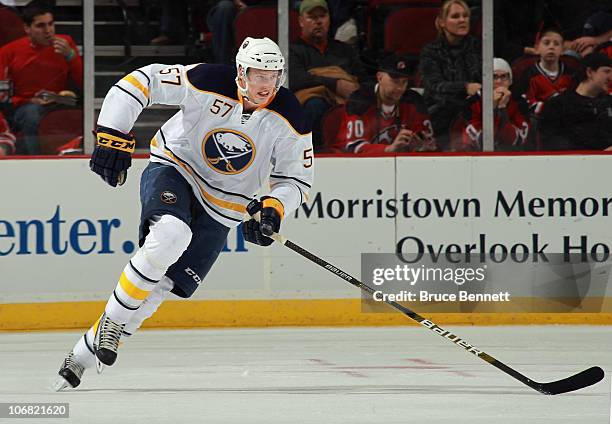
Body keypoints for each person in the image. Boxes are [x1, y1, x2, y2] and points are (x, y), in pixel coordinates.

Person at [53, 37, 313, 391]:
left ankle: (80, 356)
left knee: (163, 285)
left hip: (226, 205)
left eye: (273, 75)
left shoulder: (290, 115)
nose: (266, 84)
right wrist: (111, 135)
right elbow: (138, 82)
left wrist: (274, 207)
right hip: (177, 168)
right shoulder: (207, 80)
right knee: (171, 235)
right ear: (241, 71)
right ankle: (113, 324)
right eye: (258, 74)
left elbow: (295, 178)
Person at [0, 3, 82, 155]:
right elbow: (3, 95)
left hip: (60, 99)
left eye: (51, 24)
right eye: (41, 26)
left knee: (82, 109)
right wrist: (28, 101)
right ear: (27, 28)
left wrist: (71, 56)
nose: (48, 31)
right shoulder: (8, 52)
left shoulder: (66, 43)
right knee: (31, 113)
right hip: (25, 104)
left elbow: (85, 83)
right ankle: (35, 159)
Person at [289, 0, 366, 149]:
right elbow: (294, 79)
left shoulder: (344, 50)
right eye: (312, 17)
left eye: (322, 16)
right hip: (312, 106)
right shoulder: (292, 50)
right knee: (315, 105)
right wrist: (335, 84)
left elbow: (362, 78)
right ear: (301, 21)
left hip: (346, 102)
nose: (318, 22)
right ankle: (314, 153)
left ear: (329, 19)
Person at [333, 54, 436, 154]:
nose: (400, 88)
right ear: (379, 77)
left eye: (404, 81)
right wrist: (388, 149)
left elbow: (429, 143)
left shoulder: (414, 100)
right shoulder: (360, 101)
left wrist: (421, 146)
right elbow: (353, 146)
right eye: (395, 81)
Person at [419, 0, 482, 151]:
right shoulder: (431, 51)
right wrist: (465, 87)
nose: (462, 20)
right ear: (441, 22)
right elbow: (434, 85)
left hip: (474, 107)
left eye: (465, 16)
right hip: (440, 111)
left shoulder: (479, 46)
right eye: (455, 16)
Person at [539, 52, 612, 150]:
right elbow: (550, 142)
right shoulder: (558, 104)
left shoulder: (609, 103)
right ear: (589, 72)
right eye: (606, 71)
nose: (611, 77)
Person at [460, 58, 531, 151]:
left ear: (510, 81)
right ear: (484, 81)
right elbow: (482, 142)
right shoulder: (471, 103)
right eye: (494, 77)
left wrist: (502, 109)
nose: (499, 81)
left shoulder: (519, 102)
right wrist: (492, 108)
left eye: (504, 76)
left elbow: (514, 141)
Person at [513, 28, 577, 115]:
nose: (551, 47)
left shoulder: (571, 73)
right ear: (537, 48)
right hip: (539, 120)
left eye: (556, 44)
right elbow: (525, 102)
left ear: (562, 50)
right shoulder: (528, 74)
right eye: (546, 43)